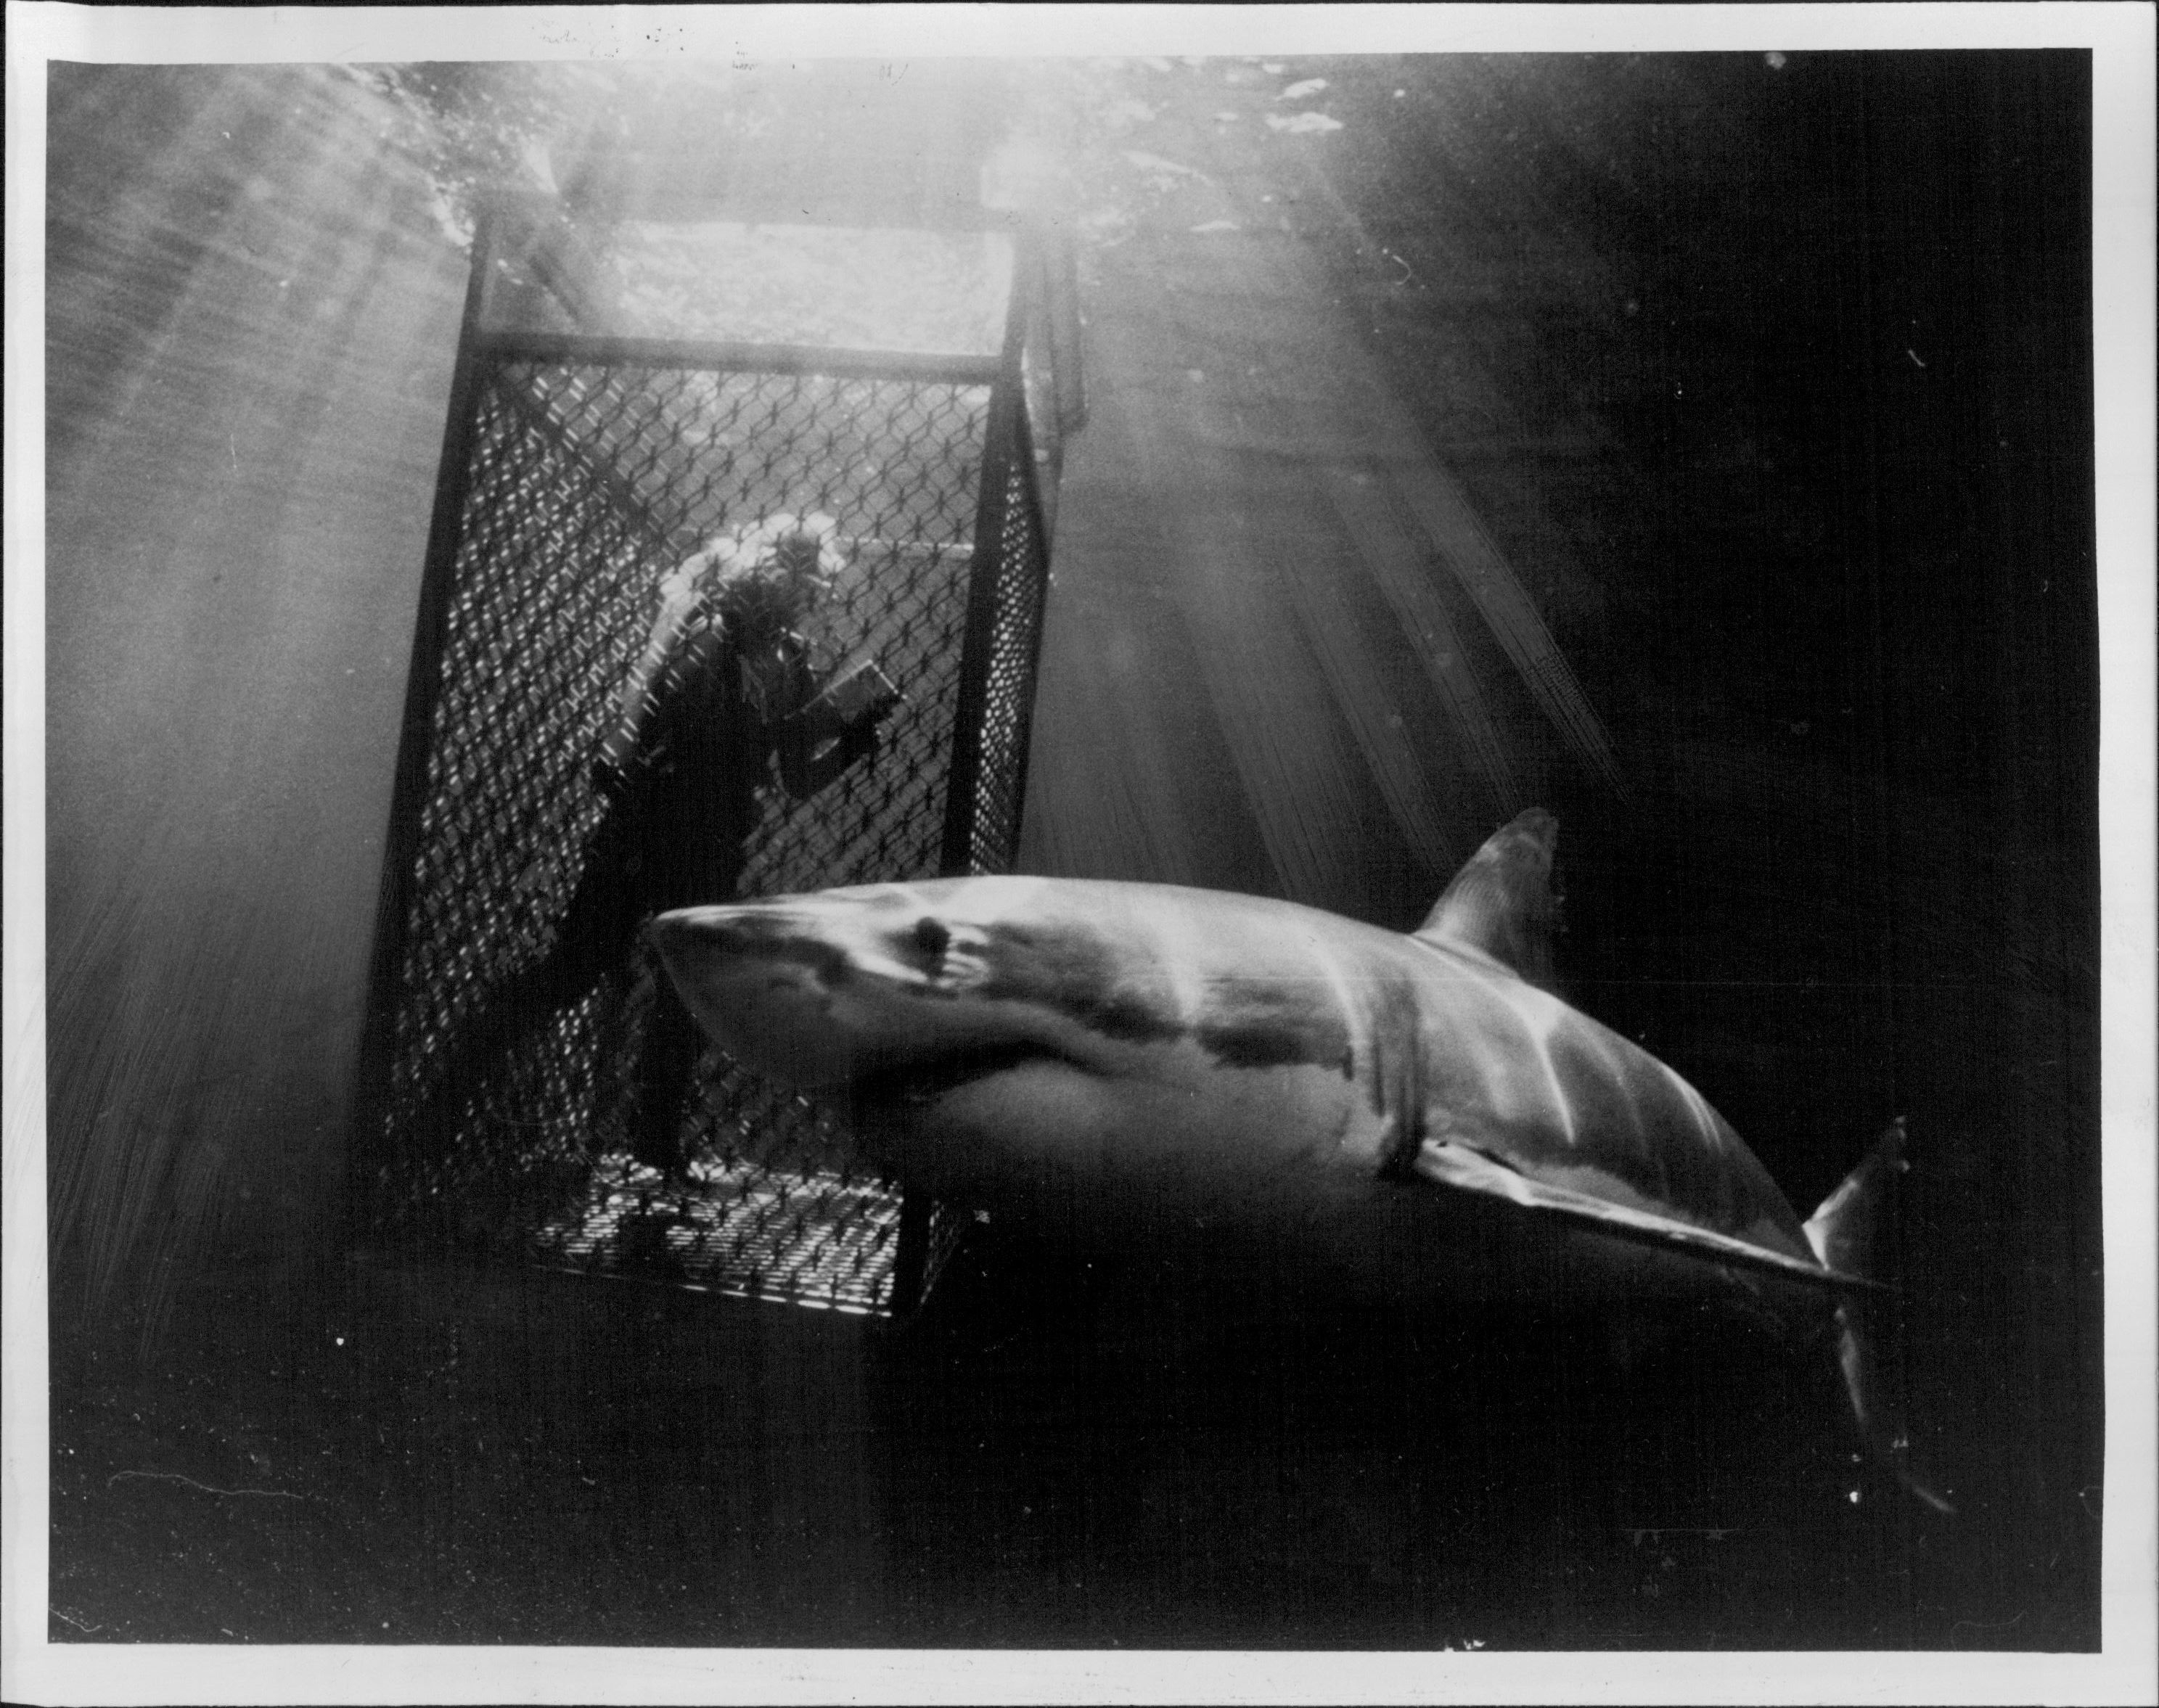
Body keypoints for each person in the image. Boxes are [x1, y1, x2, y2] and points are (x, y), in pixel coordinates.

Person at [414, 512, 901, 1181]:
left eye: (803, 586)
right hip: (649, 823)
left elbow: (794, 778)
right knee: (576, 970)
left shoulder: (792, 658)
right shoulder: (704, 629)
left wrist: (849, 742)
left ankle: (654, 1140)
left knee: (684, 995)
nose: (795, 595)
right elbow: (664, 717)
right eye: (787, 580)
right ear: (756, 574)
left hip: (707, 839)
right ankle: (442, 1104)